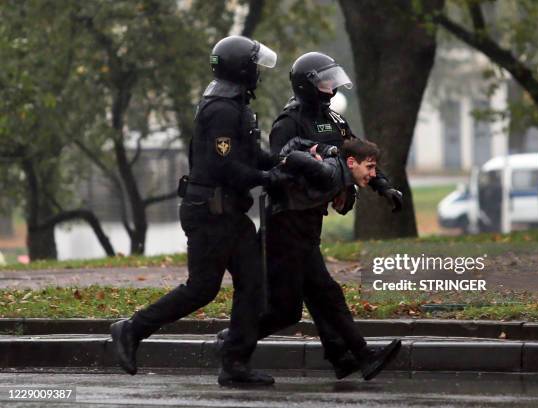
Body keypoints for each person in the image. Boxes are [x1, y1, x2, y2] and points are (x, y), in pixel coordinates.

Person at [110, 35, 287, 386]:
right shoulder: (221, 108)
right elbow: (227, 168)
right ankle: (131, 329)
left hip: (230, 213)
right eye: (254, 65)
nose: (258, 72)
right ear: (241, 68)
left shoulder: (235, 103)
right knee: (202, 289)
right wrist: (268, 178)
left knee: (253, 285)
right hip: (210, 213)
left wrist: (283, 163)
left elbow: (248, 154)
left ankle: (235, 362)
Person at [221, 52, 404, 380]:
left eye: (332, 79)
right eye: (324, 80)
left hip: (309, 220)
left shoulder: (334, 120)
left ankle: (340, 356)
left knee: (296, 305)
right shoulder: (288, 122)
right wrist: (324, 179)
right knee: (322, 293)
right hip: (286, 222)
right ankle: (362, 356)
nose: (331, 86)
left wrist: (383, 186)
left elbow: (356, 157)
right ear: (307, 85)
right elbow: (282, 167)